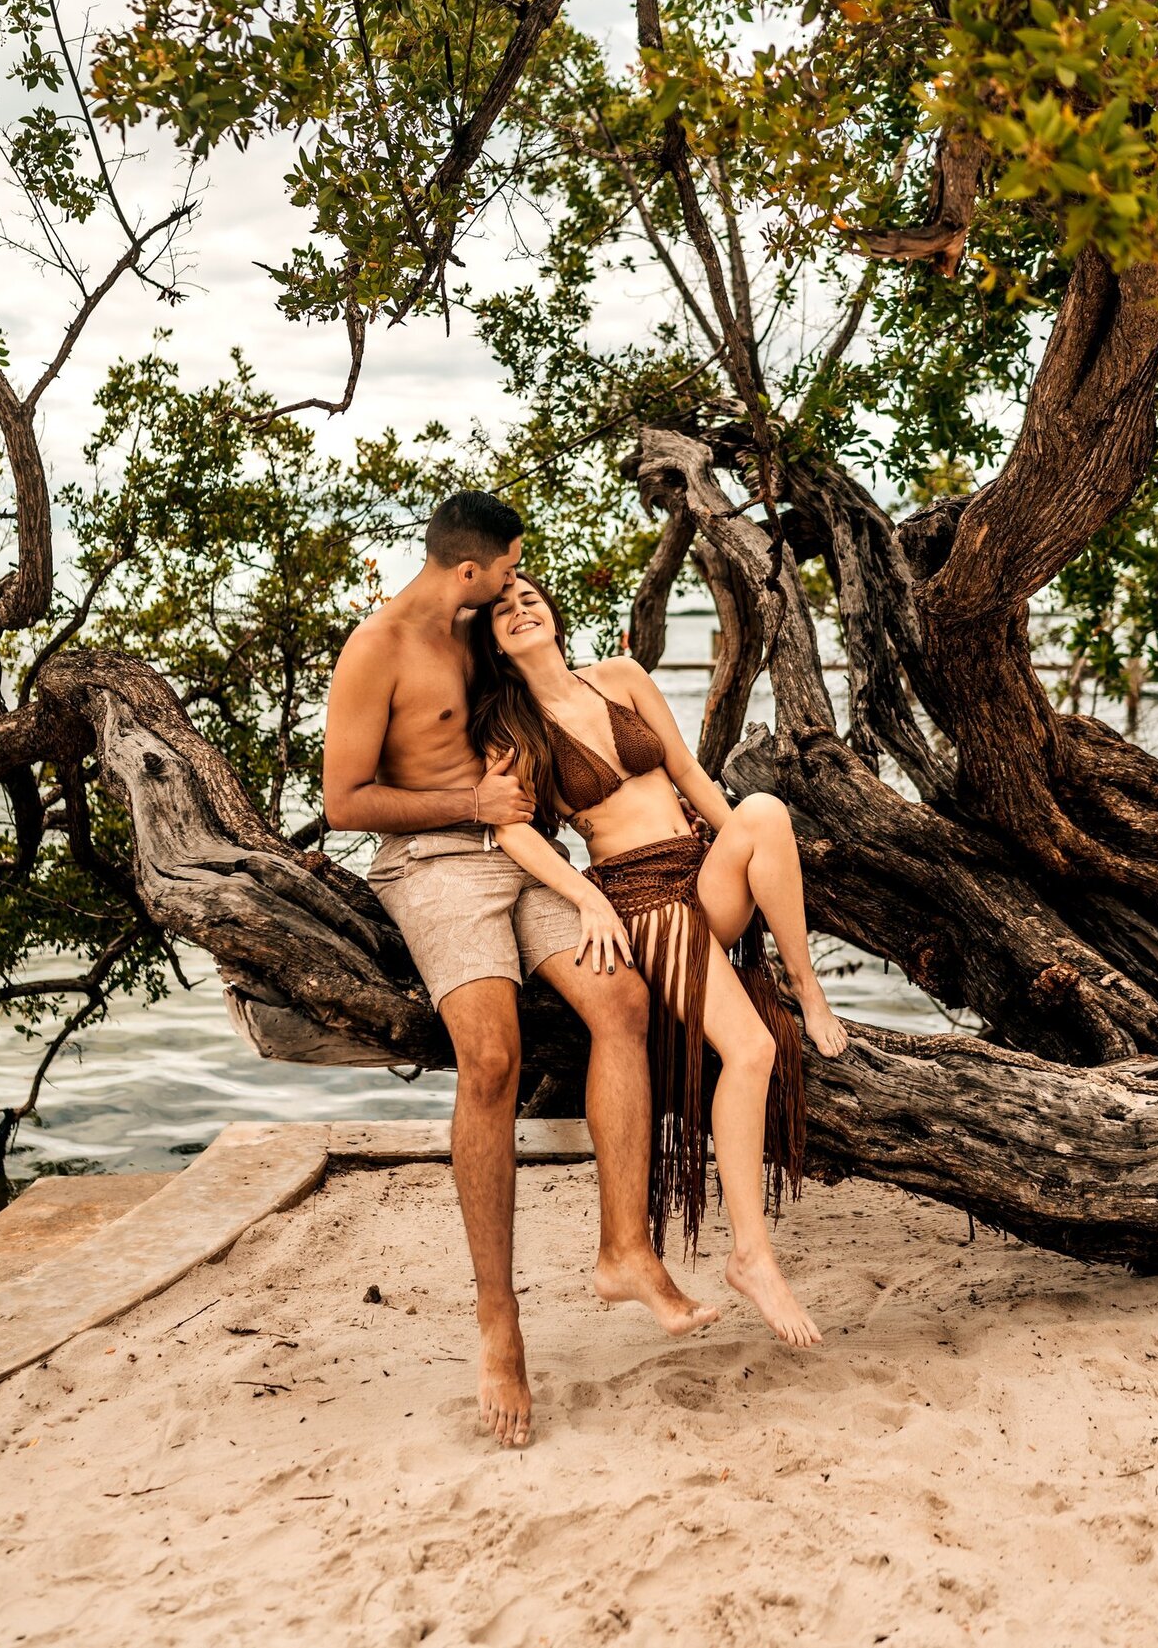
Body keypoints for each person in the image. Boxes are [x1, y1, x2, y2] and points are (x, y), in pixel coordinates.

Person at [322, 493, 717, 1450]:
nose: (514, 582)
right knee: (491, 1058)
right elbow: (342, 801)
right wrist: (467, 797)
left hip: (524, 852)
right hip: (430, 865)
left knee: (621, 1000)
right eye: (508, 567)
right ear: (471, 568)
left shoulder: (481, 630)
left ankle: (625, 1247)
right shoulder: (374, 649)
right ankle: (500, 1321)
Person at [469, 571, 851, 1349]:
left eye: (531, 596)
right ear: (494, 643)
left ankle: (805, 984)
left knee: (765, 811)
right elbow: (512, 831)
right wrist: (586, 898)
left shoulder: (621, 677)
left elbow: (688, 774)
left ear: (555, 608)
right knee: (749, 1048)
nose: (521, 609)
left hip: (696, 871)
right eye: (503, 610)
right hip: (639, 897)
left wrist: (740, 848)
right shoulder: (512, 725)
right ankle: (752, 1257)